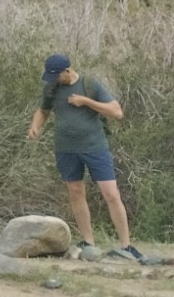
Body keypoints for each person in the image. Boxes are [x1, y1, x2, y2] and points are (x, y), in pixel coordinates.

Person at [27, 53, 143, 262]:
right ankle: (88, 241)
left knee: (111, 194)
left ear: (67, 71)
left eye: (56, 75)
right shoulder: (52, 88)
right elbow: (43, 111)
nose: (53, 79)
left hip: (95, 147)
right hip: (66, 149)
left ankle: (127, 245)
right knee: (75, 192)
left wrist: (86, 102)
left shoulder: (90, 84)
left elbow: (117, 112)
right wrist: (35, 126)